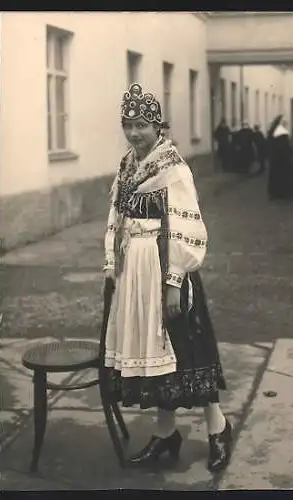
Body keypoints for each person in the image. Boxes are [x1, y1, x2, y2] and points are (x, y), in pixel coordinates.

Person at [102, 83, 231, 472]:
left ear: (158, 127)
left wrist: (174, 280)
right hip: (134, 274)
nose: (134, 133)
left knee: (188, 351)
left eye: (141, 125)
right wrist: (112, 261)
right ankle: (165, 433)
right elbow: (116, 216)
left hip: (163, 270)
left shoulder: (172, 167)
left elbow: (186, 224)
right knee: (152, 356)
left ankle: (218, 428)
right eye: (128, 125)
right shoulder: (127, 166)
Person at [267, 115, 293, 200]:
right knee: (281, 175)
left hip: (276, 158)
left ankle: (276, 192)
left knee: (276, 175)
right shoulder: (281, 132)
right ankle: (282, 192)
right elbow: (284, 146)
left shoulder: (274, 131)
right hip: (282, 158)